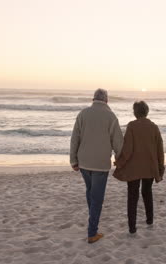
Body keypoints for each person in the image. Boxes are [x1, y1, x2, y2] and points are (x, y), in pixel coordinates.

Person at [70, 88, 124, 244]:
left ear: (93, 99)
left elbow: (75, 139)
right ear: (106, 100)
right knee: (97, 198)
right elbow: (118, 143)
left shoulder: (83, 114)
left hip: (84, 162)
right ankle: (92, 232)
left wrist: (73, 160)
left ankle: (92, 222)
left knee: (91, 193)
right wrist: (120, 160)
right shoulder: (111, 116)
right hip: (100, 164)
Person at [113, 101, 165, 234]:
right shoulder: (154, 127)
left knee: (132, 196)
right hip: (149, 167)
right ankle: (149, 220)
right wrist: (160, 167)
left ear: (135, 112)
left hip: (133, 168)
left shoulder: (132, 126)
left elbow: (128, 149)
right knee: (147, 193)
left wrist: (119, 162)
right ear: (146, 111)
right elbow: (160, 149)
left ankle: (132, 227)